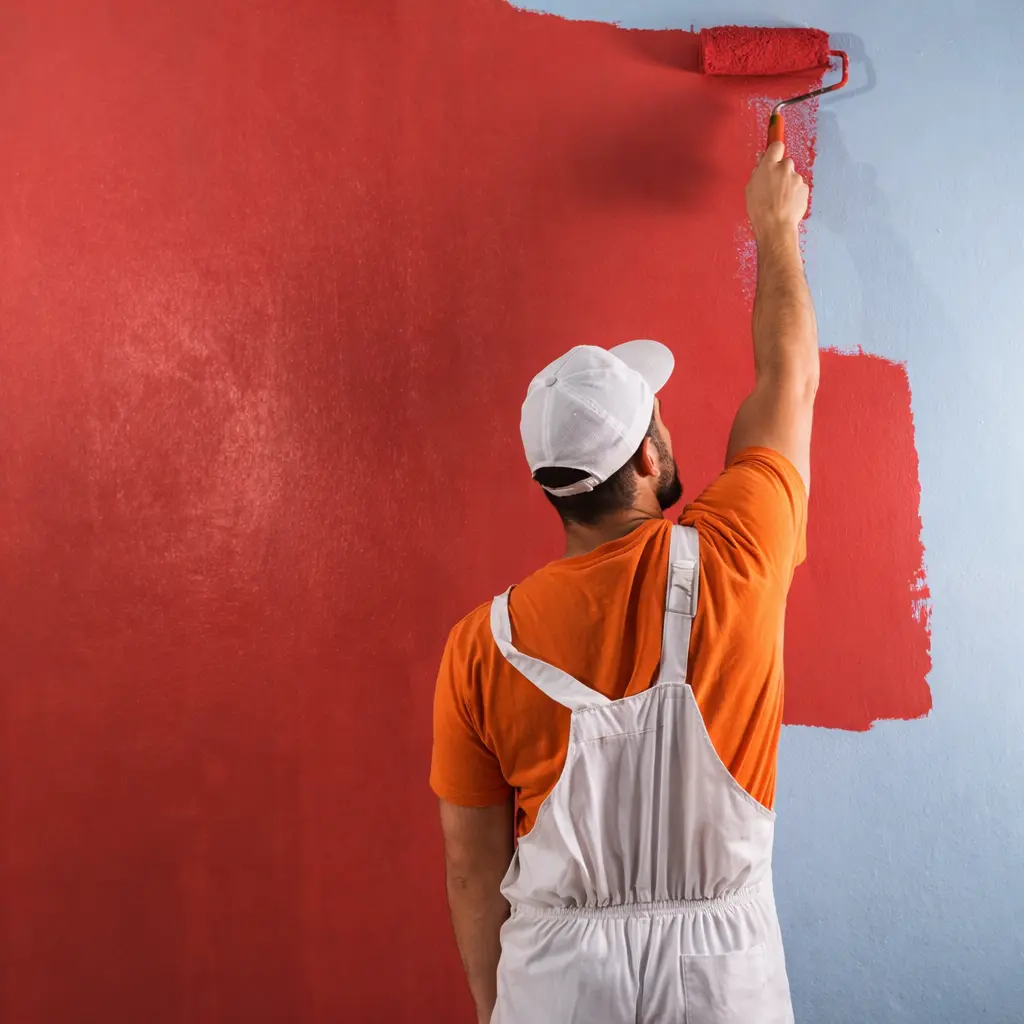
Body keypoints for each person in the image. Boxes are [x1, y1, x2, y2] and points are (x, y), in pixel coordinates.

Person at [430, 141, 817, 1024]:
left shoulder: (481, 647)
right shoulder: (739, 552)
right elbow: (789, 379)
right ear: (648, 457)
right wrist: (775, 228)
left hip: (557, 984)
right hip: (723, 978)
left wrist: (500, 1009)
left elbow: (472, 869)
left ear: (554, 485)